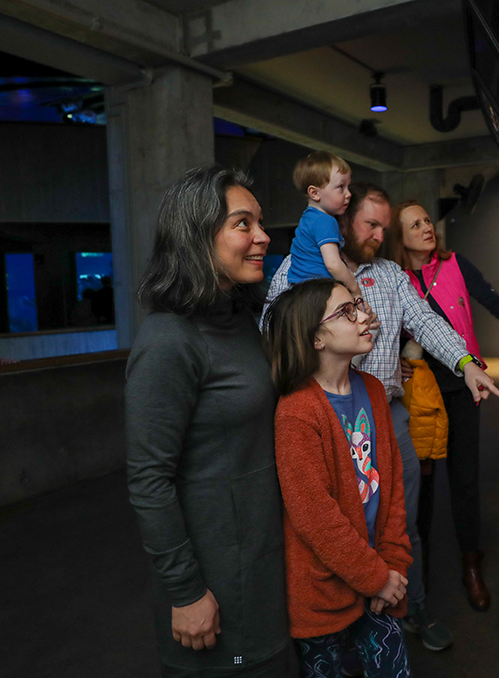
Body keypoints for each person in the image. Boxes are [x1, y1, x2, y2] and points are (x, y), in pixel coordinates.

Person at [264, 182, 499, 653]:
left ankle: (407, 605)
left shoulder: (390, 274)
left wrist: (465, 363)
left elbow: (429, 321)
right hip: (324, 415)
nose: (378, 234)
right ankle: (340, 626)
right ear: (345, 217)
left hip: (384, 410)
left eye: (384, 227)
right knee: (331, 523)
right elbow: (271, 322)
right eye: (370, 224)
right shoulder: (304, 264)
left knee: (398, 516)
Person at [126, 165, 295, 677]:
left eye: (260, 222)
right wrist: (185, 590)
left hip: (262, 562)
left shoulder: (242, 320)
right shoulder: (168, 341)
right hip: (213, 583)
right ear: (197, 237)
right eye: (243, 224)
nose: (263, 236)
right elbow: (148, 481)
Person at [265, 279, 413, 677]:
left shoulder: (374, 390)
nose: (365, 316)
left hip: (380, 577)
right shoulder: (297, 412)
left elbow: (394, 487)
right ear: (316, 338)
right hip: (323, 591)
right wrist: (376, 577)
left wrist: (393, 563)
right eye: (348, 311)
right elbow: (315, 518)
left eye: (359, 305)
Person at [383, 200, 499, 612]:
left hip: (463, 384)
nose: (427, 227)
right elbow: (389, 331)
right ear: (400, 237)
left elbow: (489, 298)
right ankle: (419, 571)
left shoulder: (455, 263)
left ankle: (471, 563)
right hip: (420, 391)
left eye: (428, 220)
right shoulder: (396, 278)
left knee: (464, 477)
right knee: (420, 482)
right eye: (416, 224)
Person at [285, 151, 363, 302]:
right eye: (341, 187)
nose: (348, 194)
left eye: (348, 186)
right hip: (317, 291)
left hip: (300, 290)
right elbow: (333, 264)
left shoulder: (308, 218)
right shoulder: (325, 221)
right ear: (314, 193)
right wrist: (355, 289)